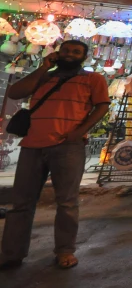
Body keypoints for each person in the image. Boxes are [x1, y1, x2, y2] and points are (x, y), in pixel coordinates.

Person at [0, 40, 110, 271]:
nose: (70, 54)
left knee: (67, 202)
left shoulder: (93, 79)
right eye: (67, 50)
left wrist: (80, 131)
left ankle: (65, 251)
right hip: (33, 146)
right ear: (58, 53)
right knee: (21, 203)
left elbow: (101, 106)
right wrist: (42, 68)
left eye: (76, 52)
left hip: (68, 147)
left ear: (84, 57)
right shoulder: (44, 76)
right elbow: (14, 92)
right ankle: (12, 254)